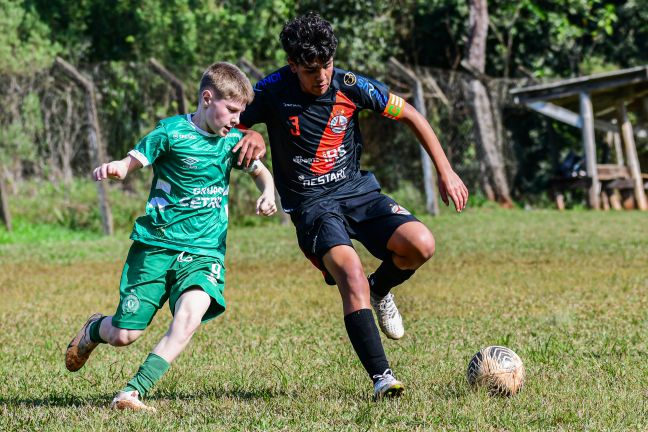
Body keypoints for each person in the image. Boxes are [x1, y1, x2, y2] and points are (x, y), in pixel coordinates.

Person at [237, 13, 468, 399]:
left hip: (357, 191)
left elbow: (410, 114)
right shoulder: (272, 90)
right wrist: (250, 137)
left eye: (326, 64)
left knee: (421, 244)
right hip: (312, 205)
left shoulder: (350, 85)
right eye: (311, 69)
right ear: (292, 65)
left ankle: (382, 289)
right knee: (351, 274)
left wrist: (446, 171)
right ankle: (382, 379)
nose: (322, 76)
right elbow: (230, 123)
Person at [65, 62, 277, 412]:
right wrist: (119, 167)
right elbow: (135, 158)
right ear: (208, 99)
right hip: (157, 245)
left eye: (241, 112)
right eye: (232, 111)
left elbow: (260, 173)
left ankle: (132, 391)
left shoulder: (233, 141)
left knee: (191, 315)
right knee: (124, 335)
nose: (238, 120)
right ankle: (93, 330)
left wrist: (268, 192)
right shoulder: (170, 133)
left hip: (205, 250)